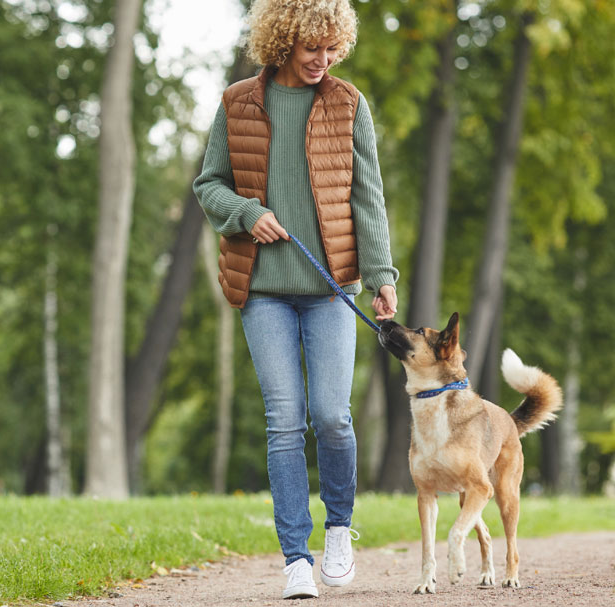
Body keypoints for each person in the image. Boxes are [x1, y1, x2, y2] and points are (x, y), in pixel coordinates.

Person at [193, 0, 399, 599]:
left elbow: (368, 196)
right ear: (283, 40)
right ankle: (295, 561)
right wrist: (245, 212)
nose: (323, 60)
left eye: (333, 48)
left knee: (332, 416)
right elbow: (209, 183)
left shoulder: (348, 103)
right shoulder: (238, 102)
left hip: (331, 289)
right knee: (284, 422)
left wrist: (382, 274)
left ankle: (338, 529)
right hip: (262, 290)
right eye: (313, 47)